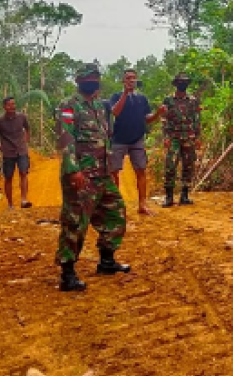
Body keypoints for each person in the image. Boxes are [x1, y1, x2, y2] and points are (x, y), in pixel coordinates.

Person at [54, 62, 131, 292]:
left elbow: (106, 136)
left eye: (95, 78)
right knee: (75, 223)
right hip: (81, 176)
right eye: (88, 78)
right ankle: (67, 273)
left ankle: (107, 261)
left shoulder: (100, 106)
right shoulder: (68, 106)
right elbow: (65, 139)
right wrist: (73, 170)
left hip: (103, 174)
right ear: (79, 82)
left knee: (115, 214)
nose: (93, 81)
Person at [108, 69, 166, 215]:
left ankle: (142, 205)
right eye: (128, 78)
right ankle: (117, 206)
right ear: (123, 81)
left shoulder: (142, 99)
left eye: (133, 78)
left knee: (141, 171)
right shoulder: (116, 96)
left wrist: (158, 113)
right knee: (114, 172)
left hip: (137, 139)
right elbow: (115, 112)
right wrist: (125, 94)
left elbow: (148, 118)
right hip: (118, 139)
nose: (131, 80)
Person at [160, 73, 201, 207]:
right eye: (180, 82)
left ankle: (184, 196)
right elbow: (164, 119)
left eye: (185, 82)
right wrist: (166, 137)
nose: (182, 84)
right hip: (174, 138)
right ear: (176, 84)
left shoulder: (193, 100)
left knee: (188, 166)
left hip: (189, 137)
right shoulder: (168, 100)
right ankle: (169, 197)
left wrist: (198, 137)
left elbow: (197, 119)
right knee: (170, 166)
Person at [0, 97, 32, 209]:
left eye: (13, 104)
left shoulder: (22, 117)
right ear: (4, 107)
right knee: (8, 178)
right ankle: (10, 205)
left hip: (21, 151)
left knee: (23, 173)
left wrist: (25, 141)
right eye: (9, 105)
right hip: (8, 153)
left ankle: (24, 200)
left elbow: (27, 129)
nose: (12, 107)